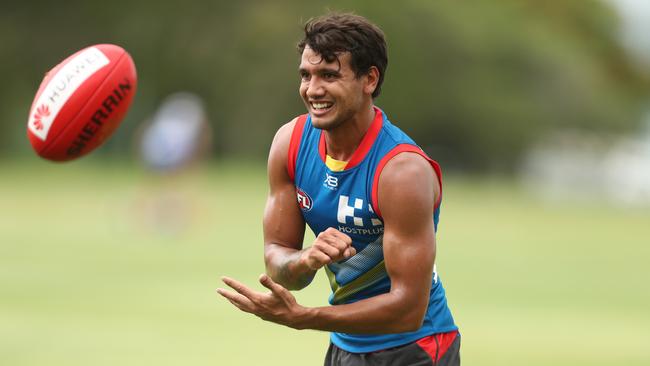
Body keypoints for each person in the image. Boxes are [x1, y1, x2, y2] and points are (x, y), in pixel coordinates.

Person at [217, 13, 460, 365]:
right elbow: (278, 261)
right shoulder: (291, 143)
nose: (313, 89)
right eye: (306, 75)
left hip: (416, 347)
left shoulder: (401, 170)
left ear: (369, 79)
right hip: (345, 346)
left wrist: (306, 317)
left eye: (329, 75)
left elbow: (407, 309)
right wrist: (305, 260)